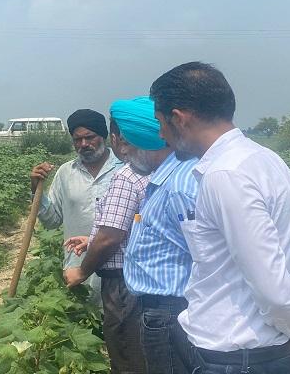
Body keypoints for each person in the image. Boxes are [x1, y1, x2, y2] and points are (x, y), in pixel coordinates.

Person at [150, 61, 290, 374]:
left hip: (236, 359)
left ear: (179, 118)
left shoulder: (226, 175)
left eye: (160, 122)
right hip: (263, 354)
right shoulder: (266, 161)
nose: (161, 135)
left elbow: (273, 289)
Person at [63, 96, 167, 374]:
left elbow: (111, 237)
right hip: (155, 285)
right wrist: (91, 239)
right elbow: (140, 226)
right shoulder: (169, 171)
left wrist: (81, 272)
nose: (84, 144)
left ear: (116, 138)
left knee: (126, 357)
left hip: (122, 284)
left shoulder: (126, 175)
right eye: (77, 139)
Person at [30, 109, 123, 296]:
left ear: (103, 136)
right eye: (77, 140)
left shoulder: (124, 168)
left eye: (90, 137)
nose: (84, 144)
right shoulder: (66, 173)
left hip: (120, 267)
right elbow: (52, 220)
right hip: (78, 266)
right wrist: (36, 189)